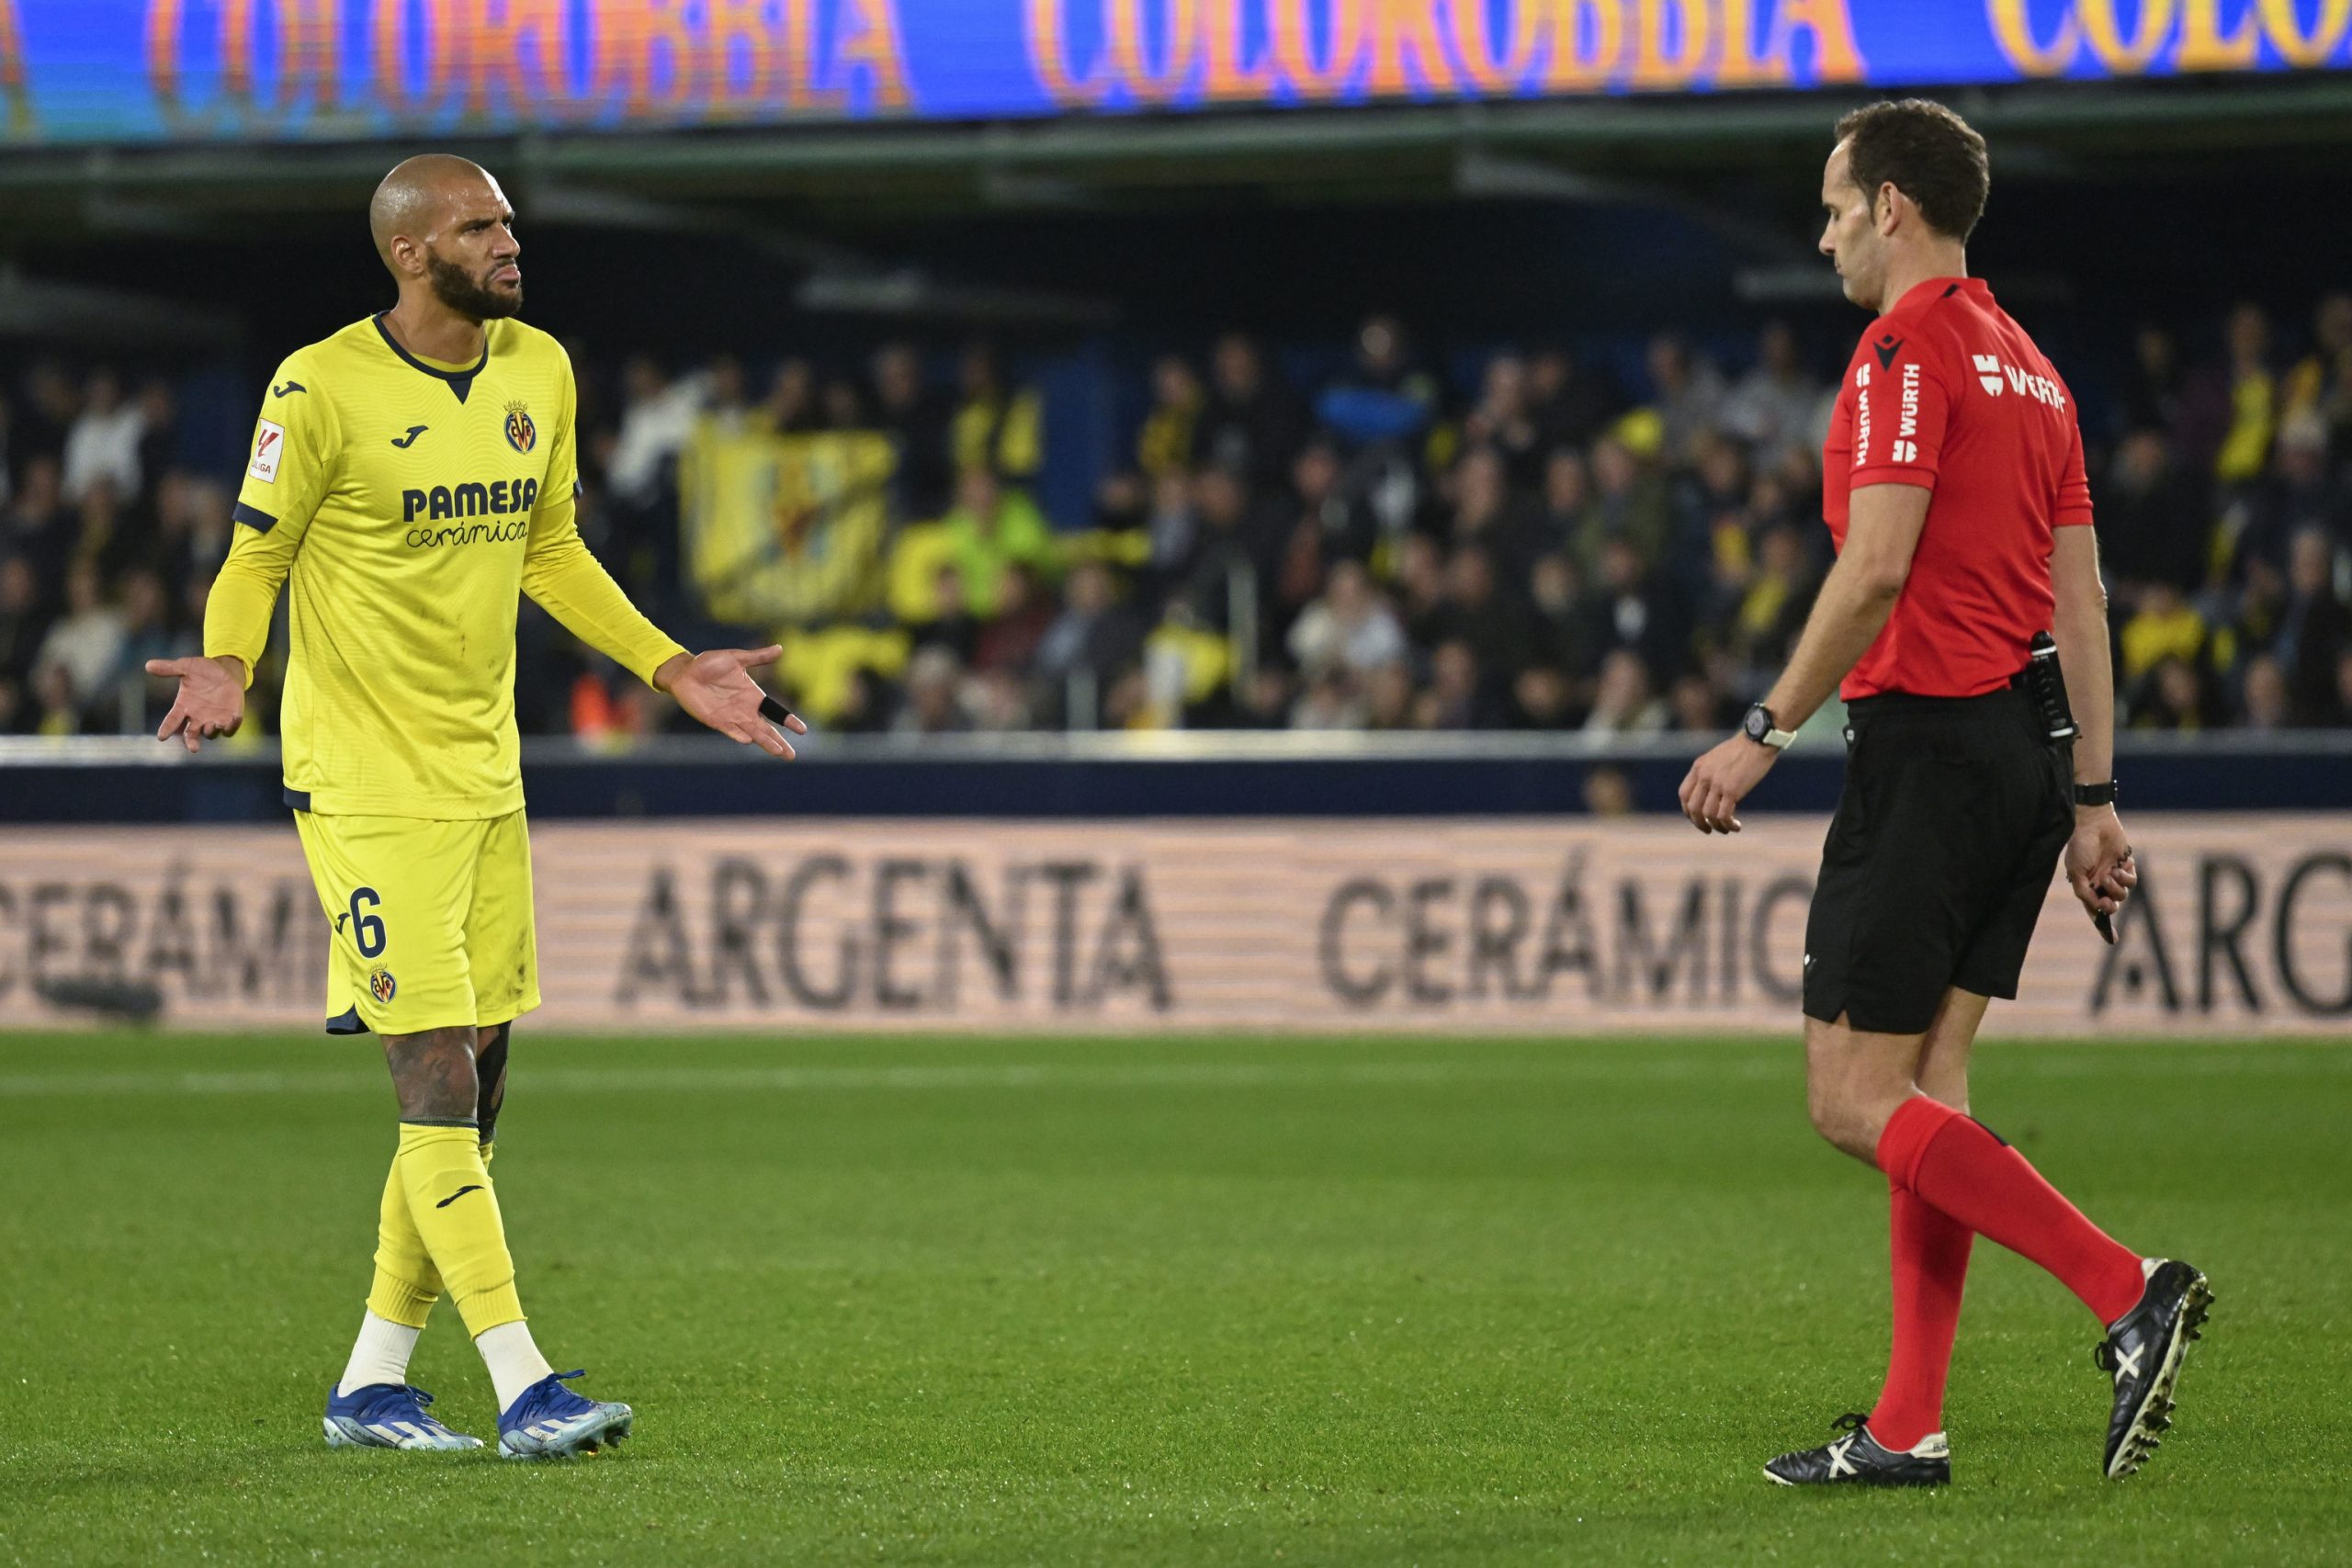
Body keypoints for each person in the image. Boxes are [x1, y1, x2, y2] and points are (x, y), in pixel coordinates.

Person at [146, 155, 806, 1461]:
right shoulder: (318, 383)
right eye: (478, 226)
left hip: (483, 775)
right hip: (362, 781)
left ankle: (372, 1383)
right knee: (432, 1064)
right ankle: (525, 1384)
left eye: (508, 220)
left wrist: (670, 664)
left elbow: (551, 547)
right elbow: (257, 551)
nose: (510, 241)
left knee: (476, 1083)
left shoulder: (537, 369)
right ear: (409, 252)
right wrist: (230, 658)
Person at [1676, 100, 2208, 1489]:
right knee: (1933, 1095)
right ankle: (1909, 1426)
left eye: (1839, 205)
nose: (1828, 230)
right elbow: (2078, 600)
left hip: (1930, 752)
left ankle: (2124, 1287)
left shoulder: (1906, 351)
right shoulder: (2037, 370)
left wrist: (1761, 730)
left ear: (1897, 207)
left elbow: (1874, 570)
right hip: (2027, 757)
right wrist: (2093, 794)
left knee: (1853, 1099)